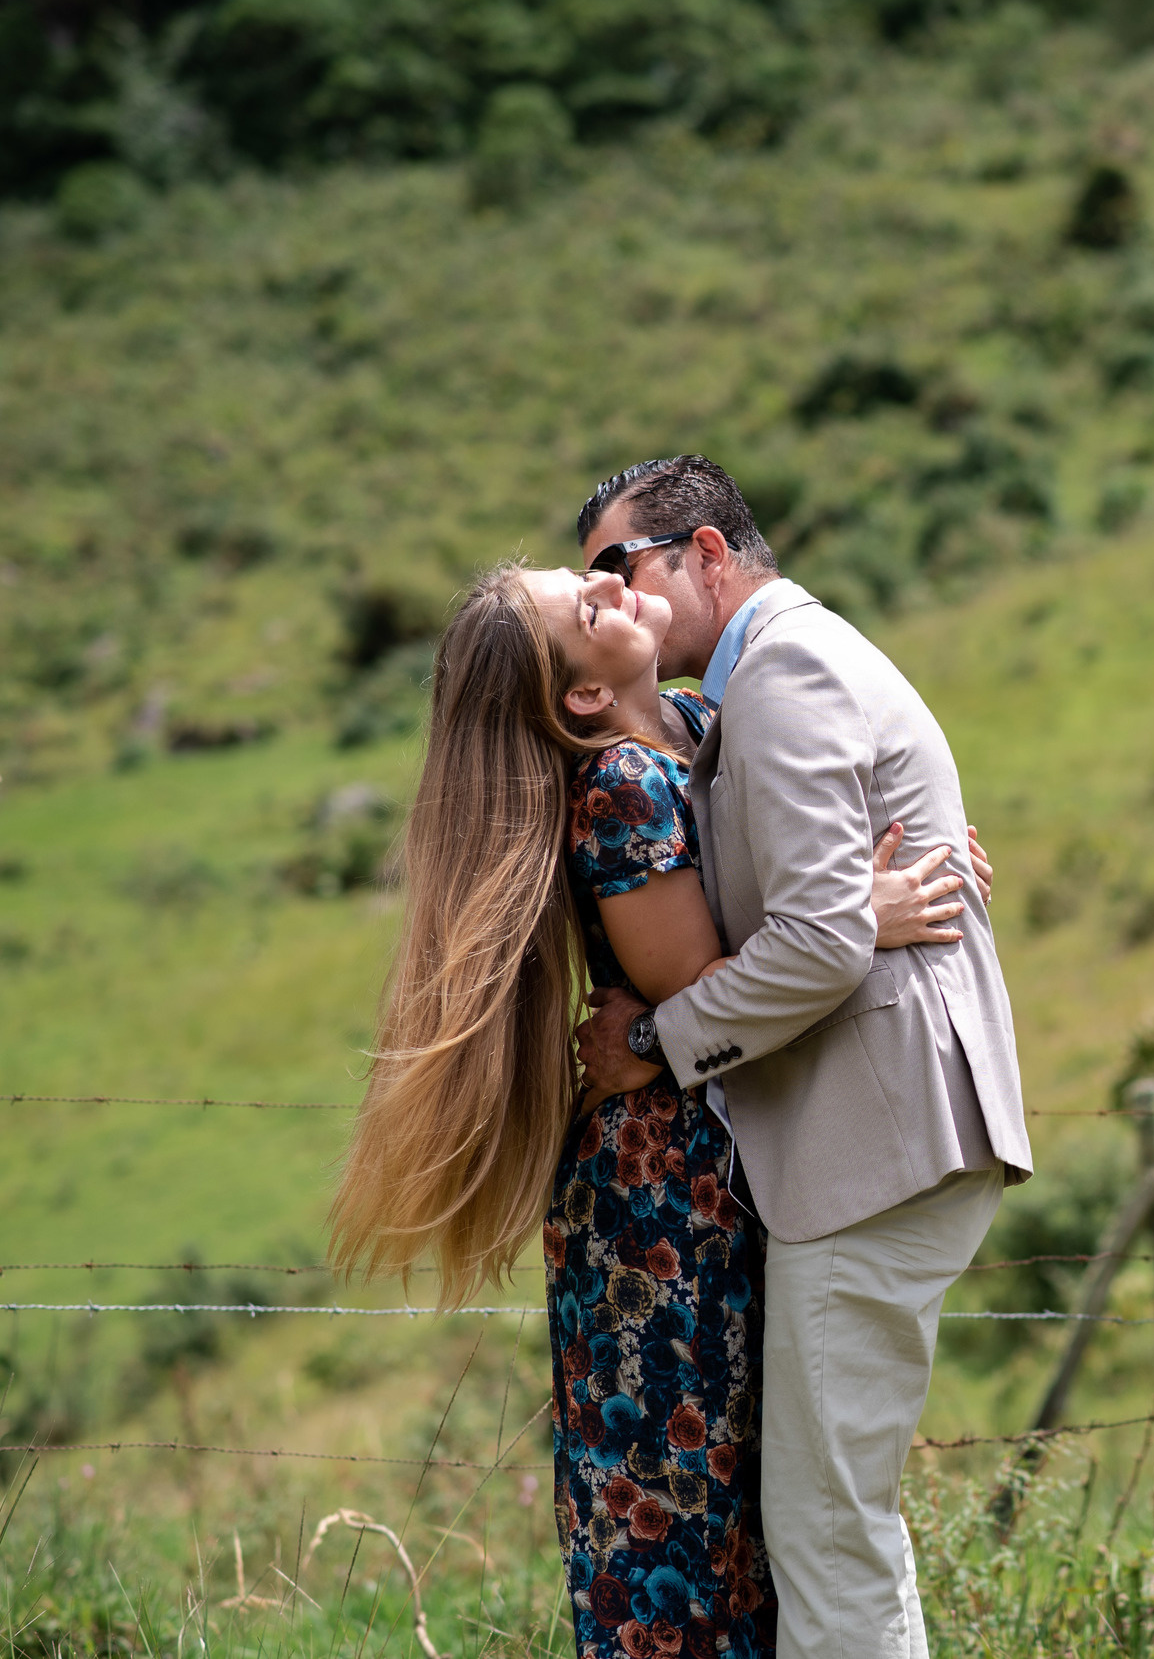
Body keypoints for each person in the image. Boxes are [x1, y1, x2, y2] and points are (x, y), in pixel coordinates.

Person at [328, 559, 985, 1659]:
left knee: (752, 1509)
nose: (614, 582)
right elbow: (694, 987)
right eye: (590, 605)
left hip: (716, 1157)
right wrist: (855, 918)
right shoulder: (625, 781)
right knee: (679, 1529)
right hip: (660, 1196)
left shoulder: (695, 721)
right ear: (584, 693)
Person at [569, 456, 1030, 1659]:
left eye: (621, 567)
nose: (607, 597)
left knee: (828, 1530)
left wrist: (653, 1041)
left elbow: (818, 945)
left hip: (873, 1140)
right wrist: (856, 907)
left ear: (708, 554)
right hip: (866, 1135)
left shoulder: (788, 669)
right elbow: (824, 911)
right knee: (833, 1523)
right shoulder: (748, 694)